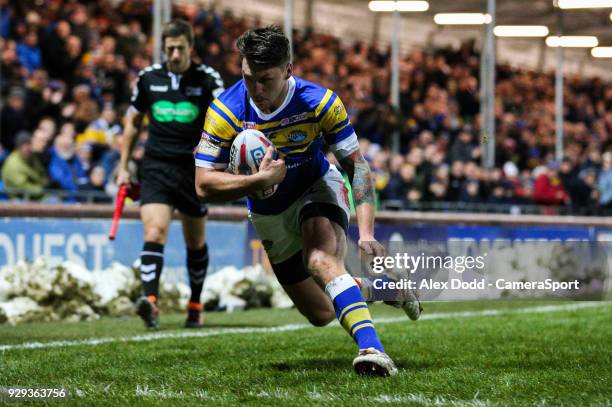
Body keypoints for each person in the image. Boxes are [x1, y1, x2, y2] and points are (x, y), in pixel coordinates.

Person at [195, 26, 419, 377]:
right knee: (321, 313)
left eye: (265, 79)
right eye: (248, 77)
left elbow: (357, 168)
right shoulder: (225, 111)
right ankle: (382, 289)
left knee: (319, 259)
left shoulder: (321, 103)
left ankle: (373, 350)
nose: (256, 90)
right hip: (267, 213)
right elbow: (203, 185)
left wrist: (366, 233)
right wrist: (259, 181)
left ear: (288, 70)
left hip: (316, 186)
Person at [117, 19, 224, 329]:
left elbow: (226, 116)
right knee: (154, 233)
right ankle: (150, 302)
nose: (174, 55)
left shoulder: (207, 79)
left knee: (195, 242)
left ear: (191, 47)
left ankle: (195, 303)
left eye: (180, 48)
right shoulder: (148, 79)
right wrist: (123, 167)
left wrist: (210, 150)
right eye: (169, 49)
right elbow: (133, 123)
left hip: (193, 171)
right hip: (156, 167)